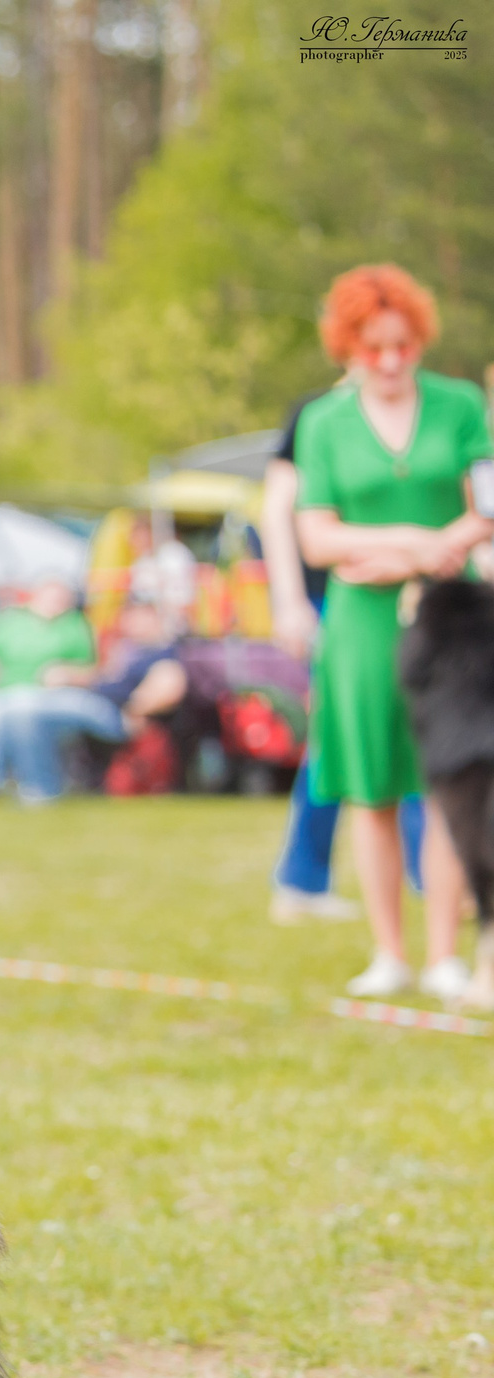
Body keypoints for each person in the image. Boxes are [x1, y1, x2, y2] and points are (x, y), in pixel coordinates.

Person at [290, 264, 494, 999]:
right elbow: (317, 536)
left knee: (451, 783)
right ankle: (391, 952)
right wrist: (413, 540)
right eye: (373, 346)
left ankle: (446, 952)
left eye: (402, 345)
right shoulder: (324, 423)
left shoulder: (462, 405)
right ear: (350, 345)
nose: (389, 360)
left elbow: (488, 505)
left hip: (453, 617)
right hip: (362, 623)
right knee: (372, 788)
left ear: (419, 339)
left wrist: (433, 547)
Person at [262, 385, 424, 922]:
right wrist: (287, 600)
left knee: (423, 732)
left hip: (415, 590)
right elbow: (277, 506)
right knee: (338, 738)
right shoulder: (317, 412)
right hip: (336, 596)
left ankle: (434, 875)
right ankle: (302, 878)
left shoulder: (428, 406)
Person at [0, 577, 124, 803]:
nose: (56, 602)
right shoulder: (9, 618)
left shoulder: (76, 625)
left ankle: (38, 788)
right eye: (51, 595)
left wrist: (68, 674)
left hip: (48, 694)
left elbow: (96, 671)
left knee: (17, 710)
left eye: (62, 597)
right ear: (35, 595)